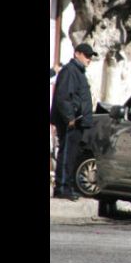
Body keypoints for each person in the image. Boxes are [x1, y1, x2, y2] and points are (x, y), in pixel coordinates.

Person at [51, 43, 98, 201]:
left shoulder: (79, 72)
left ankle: (67, 186)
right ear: (77, 54)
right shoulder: (70, 71)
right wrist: (70, 118)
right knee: (66, 154)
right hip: (71, 122)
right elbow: (63, 97)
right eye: (86, 55)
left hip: (78, 121)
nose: (89, 59)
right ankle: (62, 187)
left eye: (90, 56)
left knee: (72, 155)